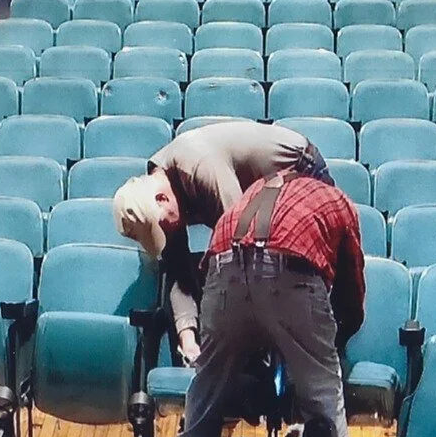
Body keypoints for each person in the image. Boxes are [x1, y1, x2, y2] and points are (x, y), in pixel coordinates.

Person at [177, 169, 365, 437]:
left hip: (222, 270)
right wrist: (339, 336)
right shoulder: (337, 201)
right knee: (321, 384)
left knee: (209, 379)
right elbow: (352, 285)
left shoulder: (254, 190)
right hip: (290, 272)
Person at [112, 121, 333, 368]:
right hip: (260, 193)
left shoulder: (200, 169)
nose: (167, 233)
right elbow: (178, 273)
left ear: (163, 198)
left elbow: (244, 248)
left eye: (161, 229)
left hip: (300, 169)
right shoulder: (157, 193)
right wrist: (189, 342)